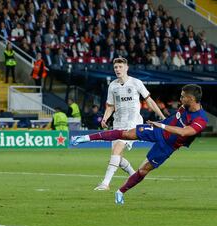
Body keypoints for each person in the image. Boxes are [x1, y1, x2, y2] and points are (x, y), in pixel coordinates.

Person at [71, 84, 208, 204]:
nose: (180, 99)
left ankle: (120, 192)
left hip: (168, 145)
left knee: (143, 170)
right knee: (125, 134)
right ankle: (86, 138)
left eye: (183, 96)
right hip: (157, 130)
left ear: (192, 99)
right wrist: (162, 123)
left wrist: (161, 125)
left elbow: (184, 132)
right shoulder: (185, 106)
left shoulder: (201, 119)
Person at [89, 57, 166, 191]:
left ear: (126, 68)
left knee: (117, 150)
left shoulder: (136, 83)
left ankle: (105, 184)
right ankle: (134, 175)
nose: (117, 70)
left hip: (133, 124)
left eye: (120, 67)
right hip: (118, 123)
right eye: (115, 68)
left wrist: (163, 117)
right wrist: (105, 118)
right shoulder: (113, 85)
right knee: (117, 157)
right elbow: (110, 106)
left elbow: (150, 101)